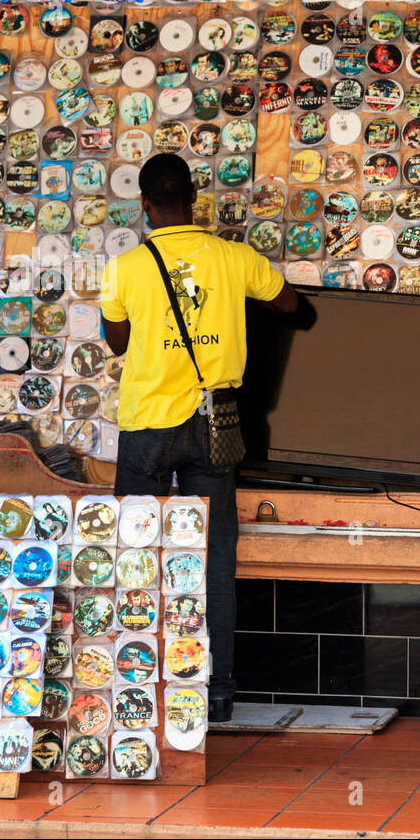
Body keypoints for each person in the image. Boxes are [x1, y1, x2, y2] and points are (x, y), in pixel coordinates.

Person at [99, 153, 301, 723]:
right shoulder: (234, 258)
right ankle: (217, 692)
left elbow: (117, 342)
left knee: (137, 552)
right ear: (195, 198)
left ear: (144, 203)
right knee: (213, 558)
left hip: (147, 424)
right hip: (214, 424)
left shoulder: (126, 268)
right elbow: (288, 302)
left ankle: (137, 686)